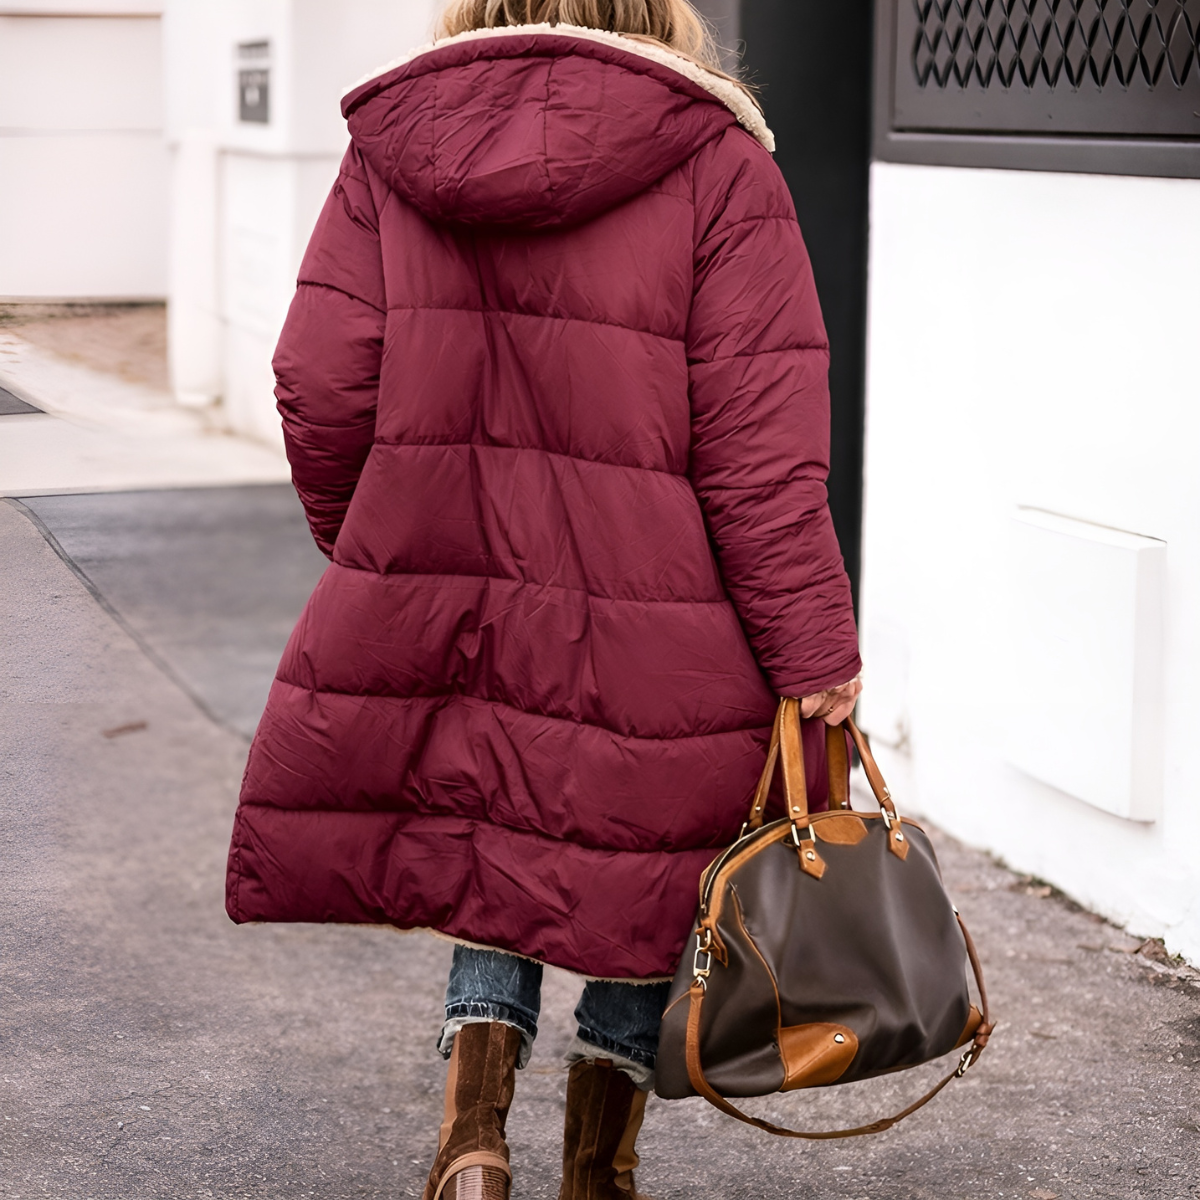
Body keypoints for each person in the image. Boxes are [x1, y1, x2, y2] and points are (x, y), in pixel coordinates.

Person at [224, 2, 862, 1197]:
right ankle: (596, 1169)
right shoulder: (716, 157)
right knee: (641, 859)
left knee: (493, 831)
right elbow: (761, 449)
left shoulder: (401, 143)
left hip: (459, 582)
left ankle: (471, 1149)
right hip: (661, 609)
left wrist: (381, 548)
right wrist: (813, 643)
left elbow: (317, 377)